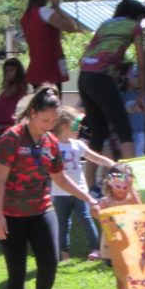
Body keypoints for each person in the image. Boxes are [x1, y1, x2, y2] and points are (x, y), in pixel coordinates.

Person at [0, 85, 99, 289]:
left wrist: (89, 199)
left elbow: (60, 178)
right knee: (16, 273)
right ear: (32, 113)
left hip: (42, 210)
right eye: (44, 120)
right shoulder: (11, 138)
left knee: (50, 265)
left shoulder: (50, 142)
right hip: (12, 215)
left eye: (52, 121)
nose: (48, 126)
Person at [78, 0, 145, 164]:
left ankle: (89, 179)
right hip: (101, 77)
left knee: (99, 132)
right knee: (123, 129)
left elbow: (83, 57)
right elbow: (141, 63)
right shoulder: (134, 27)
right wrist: (142, 93)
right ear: (137, 16)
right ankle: (132, 174)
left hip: (84, 76)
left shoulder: (105, 25)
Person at [51, 107, 115, 262]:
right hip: (59, 192)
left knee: (86, 219)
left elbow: (96, 158)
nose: (80, 127)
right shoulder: (53, 145)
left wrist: (112, 164)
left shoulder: (78, 145)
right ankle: (64, 256)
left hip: (80, 191)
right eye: (76, 124)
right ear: (64, 125)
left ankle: (96, 250)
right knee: (63, 224)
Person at [97, 164, 142, 289]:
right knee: (119, 276)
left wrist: (131, 188)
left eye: (126, 182)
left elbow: (139, 207)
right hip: (113, 243)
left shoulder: (131, 199)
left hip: (130, 243)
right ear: (109, 182)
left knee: (129, 273)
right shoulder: (106, 201)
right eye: (118, 182)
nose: (122, 187)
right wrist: (97, 211)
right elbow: (102, 219)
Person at [20, 0, 77, 94]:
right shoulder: (45, 12)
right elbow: (71, 27)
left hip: (36, 67)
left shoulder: (26, 16)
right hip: (50, 67)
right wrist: (58, 8)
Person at [122, 65, 145, 157]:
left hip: (140, 134)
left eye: (139, 77)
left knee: (137, 158)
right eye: (135, 76)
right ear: (126, 78)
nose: (138, 79)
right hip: (125, 134)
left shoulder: (142, 95)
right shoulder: (121, 95)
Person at [0, 58, 28, 126]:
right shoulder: (11, 84)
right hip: (4, 120)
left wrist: (7, 82)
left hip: (11, 121)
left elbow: (8, 94)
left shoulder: (18, 84)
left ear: (18, 71)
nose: (8, 73)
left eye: (11, 70)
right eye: (6, 71)